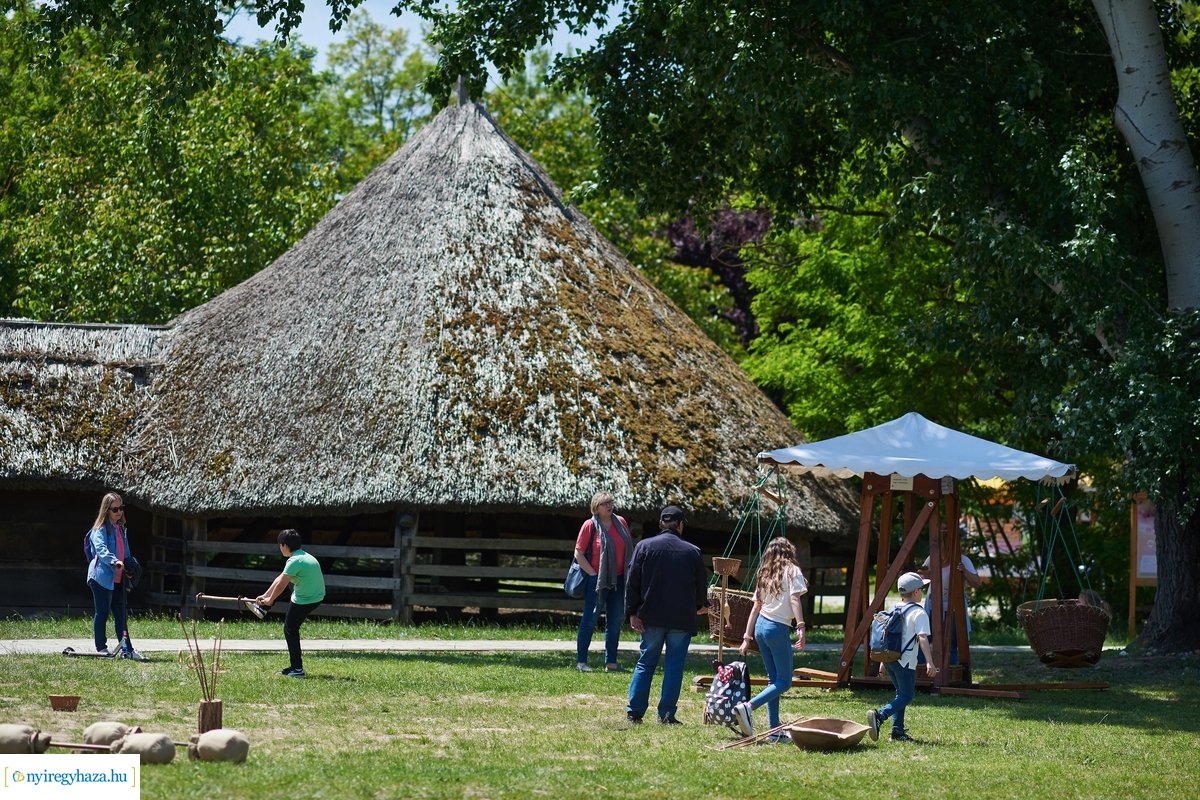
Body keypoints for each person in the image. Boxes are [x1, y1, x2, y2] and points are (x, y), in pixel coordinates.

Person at [624, 505, 709, 725]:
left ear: (661, 523)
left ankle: (634, 712)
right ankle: (667, 713)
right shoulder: (692, 551)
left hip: (650, 616)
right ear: (681, 525)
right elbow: (701, 584)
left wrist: (632, 611)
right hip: (681, 618)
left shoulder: (643, 546)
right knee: (674, 666)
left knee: (645, 663)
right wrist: (701, 605)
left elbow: (632, 582)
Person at [734, 537, 809, 741]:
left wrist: (747, 638)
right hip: (777, 628)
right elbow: (794, 598)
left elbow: (755, 607)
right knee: (784, 682)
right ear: (789, 551)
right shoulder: (793, 570)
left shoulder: (764, 573)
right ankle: (748, 707)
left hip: (760, 627)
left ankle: (774, 730)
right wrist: (801, 626)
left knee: (773, 679)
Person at [867, 572, 938, 743]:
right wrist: (929, 662)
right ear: (915, 592)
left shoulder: (895, 608)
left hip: (890, 659)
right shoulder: (919, 613)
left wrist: (883, 662)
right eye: (921, 589)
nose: (922, 592)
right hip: (905, 661)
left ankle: (897, 731)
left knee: (900, 694)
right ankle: (879, 716)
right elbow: (922, 638)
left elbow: (888, 637)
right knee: (907, 696)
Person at [573, 491, 634, 672]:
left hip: (620, 579)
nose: (609, 506)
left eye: (610, 502)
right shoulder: (589, 525)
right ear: (596, 508)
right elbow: (578, 553)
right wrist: (592, 574)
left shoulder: (621, 522)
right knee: (589, 620)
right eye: (604, 504)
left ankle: (611, 662)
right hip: (597, 581)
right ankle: (582, 662)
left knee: (615, 622)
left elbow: (628, 547)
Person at [256, 529, 326, 678]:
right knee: (290, 621)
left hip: (304, 600)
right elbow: (279, 579)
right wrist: (266, 596)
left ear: (284, 545)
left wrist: (271, 599)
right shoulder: (304, 556)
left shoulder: (294, 561)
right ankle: (263, 608)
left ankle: (297, 669)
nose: (280, 548)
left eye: (280, 545)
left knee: (290, 630)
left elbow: (281, 586)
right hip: (316, 597)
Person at [85, 492, 145, 660]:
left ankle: (127, 649)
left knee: (120, 614)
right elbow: (101, 549)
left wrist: (130, 566)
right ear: (106, 511)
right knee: (102, 612)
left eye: (121, 508)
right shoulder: (100, 529)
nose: (119, 512)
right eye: (115, 509)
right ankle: (101, 648)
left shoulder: (121, 529)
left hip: (118, 578)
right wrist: (114, 561)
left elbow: (126, 553)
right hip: (101, 577)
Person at [918, 527, 982, 666]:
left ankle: (950, 674)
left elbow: (976, 583)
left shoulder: (963, 560)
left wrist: (964, 571)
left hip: (952, 609)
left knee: (951, 646)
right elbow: (921, 577)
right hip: (932, 607)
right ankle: (921, 674)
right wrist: (922, 574)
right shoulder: (932, 558)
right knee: (923, 642)